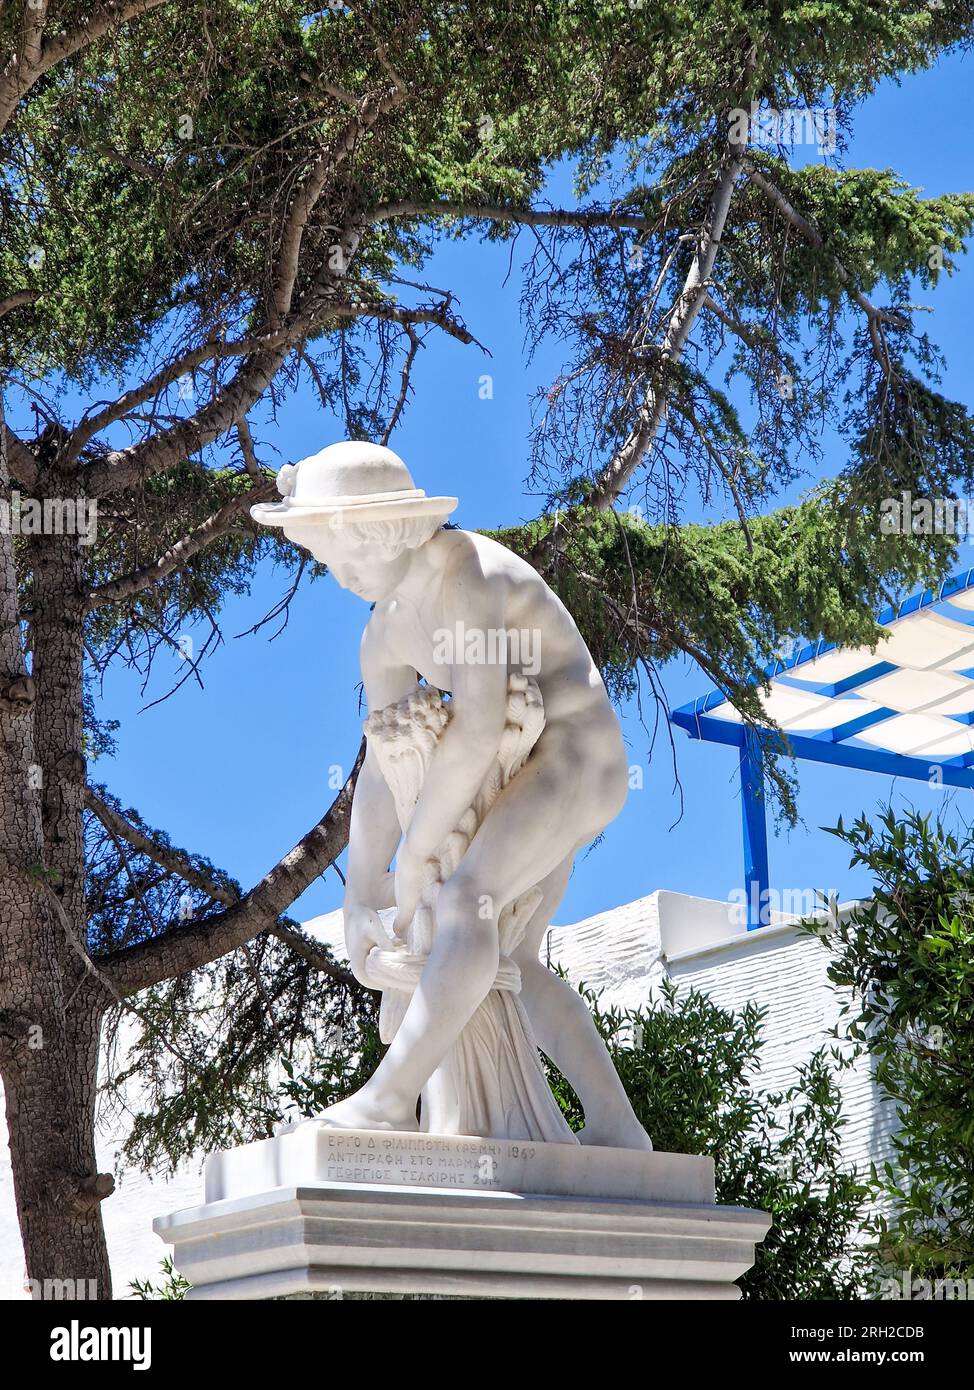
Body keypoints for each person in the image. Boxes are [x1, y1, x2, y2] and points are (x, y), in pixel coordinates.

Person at [252, 441, 652, 1149]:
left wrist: (413, 862)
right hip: (528, 769)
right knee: (516, 959)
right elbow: (380, 763)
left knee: (468, 900)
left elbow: (474, 729)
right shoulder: (382, 636)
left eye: (339, 556)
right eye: (322, 562)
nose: (336, 577)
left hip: (578, 757)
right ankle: (620, 1128)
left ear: (383, 532)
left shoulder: (463, 572)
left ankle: (388, 1098)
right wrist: (360, 891)